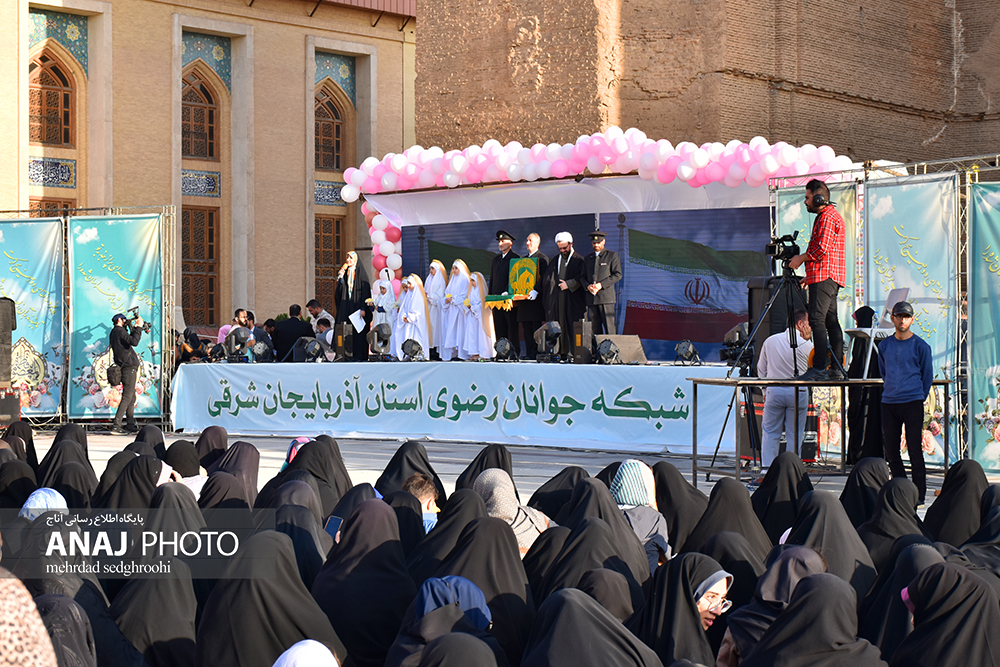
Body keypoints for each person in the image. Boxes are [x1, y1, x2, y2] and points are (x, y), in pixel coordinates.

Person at [788, 179, 847, 381]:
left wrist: (800, 259)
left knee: (816, 320)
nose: (805, 202)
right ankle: (836, 369)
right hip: (826, 276)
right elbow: (826, 252)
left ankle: (820, 367)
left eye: (808, 197)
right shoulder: (829, 215)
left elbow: (821, 248)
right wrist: (810, 275)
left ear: (819, 198)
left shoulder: (827, 217)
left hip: (825, 277)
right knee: (830, 321)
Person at [878, 300, 933, 506]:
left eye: (907, 316)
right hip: (889, 402)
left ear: (912, 319)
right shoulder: (884, 346)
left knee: (914, 449)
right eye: (899, 316)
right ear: (892, 318)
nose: (903, 320)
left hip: (912, 402)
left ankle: (919, 495)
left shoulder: (921, 346)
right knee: (892, 451)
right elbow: (884, 372)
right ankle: (901, 491)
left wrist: (918, 396)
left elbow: (927, 376)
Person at [757, 310, 814, 466]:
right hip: (798, 391)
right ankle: (791, 469)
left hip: (774, 390)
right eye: (809, 323)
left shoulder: (770, 341)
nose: (811, 327)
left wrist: (764, 390)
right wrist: (809, 341)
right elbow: (813, 369)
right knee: (795, 435)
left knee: (770, 433)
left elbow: (761, 369)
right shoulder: (807, 345)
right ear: (800, 324)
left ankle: (767, 469)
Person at [542, 232, 586, 357]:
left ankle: (574, 354)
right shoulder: (556, 260)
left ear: (571, 244)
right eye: (560, 248)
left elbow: (582, 277)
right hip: (558, 299)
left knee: (573, 326)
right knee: (559, 325)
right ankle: (561, 352)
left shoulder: (579, 260)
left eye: (564, 248)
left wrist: (569, 284)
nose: (562, 251)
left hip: (573, 300)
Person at [581, 231, 622, 336]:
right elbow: (582, 277)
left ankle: (611, 347)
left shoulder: (611, 256)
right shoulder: (588, 258)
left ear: (604, 242)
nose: (596, 245)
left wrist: (601, 285)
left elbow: (618, 274)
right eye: (594, 243)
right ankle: (596, 347)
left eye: (598, 243)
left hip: (606, 299)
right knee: (594, 330)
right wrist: (588, 286)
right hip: (592, 299)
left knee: (609, 329)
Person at [110, 312, 144, 434]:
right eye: (124, 319)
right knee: (127, 397)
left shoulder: (115, 332)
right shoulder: (119, 331)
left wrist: (133, 328)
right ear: (119, 320)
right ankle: (116, 425)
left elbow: (129, 340)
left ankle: (130, 424)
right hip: (129, 367)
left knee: (131, 396)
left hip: (126, 367)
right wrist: (138, 327)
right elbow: (134, 342)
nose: (126, 321)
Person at [334, 251, 372, 361]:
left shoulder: (361, 274)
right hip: (347, 306)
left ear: (355, 259)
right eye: (347, 258)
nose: (348, 260)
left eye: (350, 258)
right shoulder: (346, 273)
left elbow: (365, 292)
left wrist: (363, 308)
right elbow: (339, 293)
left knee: (358, 333)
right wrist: (341, 279)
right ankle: (345, 355)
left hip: (358, 308)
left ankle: (359, 356)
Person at [517, 232, 548, 359]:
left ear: (537, 243)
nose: (528, 243)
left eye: (530, 240)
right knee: (526, 328)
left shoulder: (542, 259)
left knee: (535, 327)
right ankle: (529, 353)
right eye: (527, 240)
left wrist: (536, 290)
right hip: (524, 300)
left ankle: (536, 352)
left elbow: (544, 278)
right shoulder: (522, 260)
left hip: (535, 301)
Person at [489, 230, 520, 353]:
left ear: (510, 243)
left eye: (503, 241)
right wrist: (491, 297)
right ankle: (501, 352)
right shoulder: (496, 260)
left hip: (509, 301)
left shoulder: (515, 258)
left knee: (511, 327)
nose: (500, 244)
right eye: (499, 241)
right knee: (499, 327)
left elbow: (516, 279)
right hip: (497, 301)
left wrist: (508, 291)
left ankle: (513, 352)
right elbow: (492, 280)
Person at [460, 271, 495, 361]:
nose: (472, 283)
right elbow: (467, 301)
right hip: (472, 317)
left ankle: (484, 353)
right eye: (471, 281)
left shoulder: (481, 291)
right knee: (473, 335)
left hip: (481, 318)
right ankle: (474, 353)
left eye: (473, 281)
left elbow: (482, 305)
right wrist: (467, 306)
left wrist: (473, 308)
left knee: (481, 335)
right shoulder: (471, 291)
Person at [440, 260, 470, 361]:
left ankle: (462, 354)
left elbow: (464, 295)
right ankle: (453, 354)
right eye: (453, 268)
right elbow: (447, 293)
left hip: (460, 311)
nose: (454, 270)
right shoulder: (452, 279)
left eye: (456, 268)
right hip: (451, 310)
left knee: (460, 332)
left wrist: (453, 299)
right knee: (452, 332)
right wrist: (447, 300)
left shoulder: (464, 279)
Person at [397, 275, 431, 360]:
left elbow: (419, 313)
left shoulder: (419, 297)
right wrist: (404, 316)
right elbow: (404, 308)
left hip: (416, 324)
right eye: (407, 283)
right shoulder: (408, 295)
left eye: (410, 283)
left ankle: (419, 356)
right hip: (408, 324)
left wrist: (410, 318)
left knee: (417, 340)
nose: (408, 286)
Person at [425, 260, 448, 357]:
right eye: (430, 268)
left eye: (433, 268)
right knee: (429, 327)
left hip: (436, 309)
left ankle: (435, 349)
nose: (431, 270)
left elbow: (440, 296)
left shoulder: (440, 280)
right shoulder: (429, 279)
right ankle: (429, 348)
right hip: (429, 308)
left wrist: (429, 297)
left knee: (435, 328)